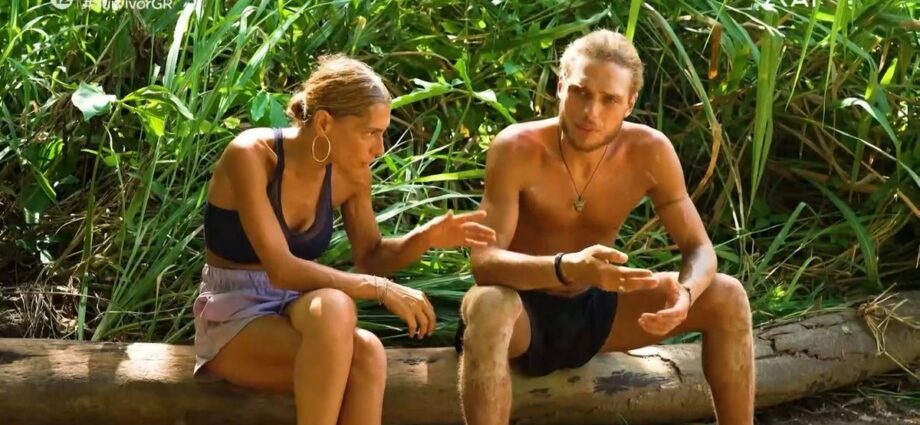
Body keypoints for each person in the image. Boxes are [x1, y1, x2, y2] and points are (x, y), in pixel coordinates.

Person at [456, 30, 754, 424]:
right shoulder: (517, 148)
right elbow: (484, 263)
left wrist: (685, 292)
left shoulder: (649, 151)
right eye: (580, 92)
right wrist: (567, 267)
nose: (590, 112)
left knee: (727, 295)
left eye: (609, 99)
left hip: (599, 310)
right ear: (560, 86)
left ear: (630, 103)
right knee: (489, 305)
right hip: (521, 314)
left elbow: (699, 249)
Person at [193, 54, 496, 425]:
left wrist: (425, 237)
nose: (379, 149)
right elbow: (282, 269)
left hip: (297, 306)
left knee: (359, 338)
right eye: (370, 133)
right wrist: (380, 289)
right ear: (324, 123)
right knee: (355, 343)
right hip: (233, 312)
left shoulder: (351, 176)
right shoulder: (254, 156)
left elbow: (370, 256)